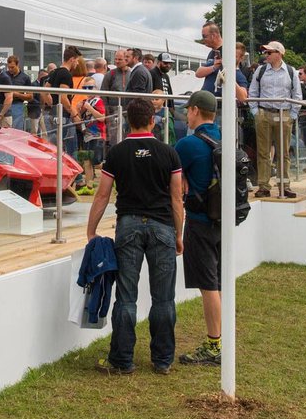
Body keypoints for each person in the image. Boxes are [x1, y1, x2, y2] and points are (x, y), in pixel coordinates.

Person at [86, 98, 184, 376]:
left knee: (126, 298)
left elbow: (103, 194)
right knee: (163, 298)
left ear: (129, 121)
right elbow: (177, 198)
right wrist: (179, 234)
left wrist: (91, 230)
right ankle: (163, 359)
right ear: (153, 120)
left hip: (127, 225)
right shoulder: (169, 153)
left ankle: (122, 359)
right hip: (163, 227)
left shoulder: (117, 152)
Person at [173, 90, 224, 366]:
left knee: (208, 286)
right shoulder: (226, 137)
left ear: (194, 111)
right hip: (223, 221)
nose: (186, 116)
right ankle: (220, 338)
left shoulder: (188, 144)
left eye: (187, 111)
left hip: (201, 222)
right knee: (217, 282)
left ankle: (214, 345)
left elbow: (170, 179)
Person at [248, 41, 301, 199]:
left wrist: (291, 116)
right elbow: (253, 92)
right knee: (263, 152)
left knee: (283, 153)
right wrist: (256, 112)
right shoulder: (261, 70)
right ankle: (264, 186)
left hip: (283, 114)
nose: (266, 55)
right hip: (264, 113)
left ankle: (284, 185)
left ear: (279, 53)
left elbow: (297, 96)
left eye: (269, 53)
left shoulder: (291, 71)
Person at [44, 46, 81, 156]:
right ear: (72, 59)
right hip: (63, 117)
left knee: (54, 147)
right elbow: (63, 97)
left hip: (52, 114)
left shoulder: (54, 72)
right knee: (70, 149)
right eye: (77, 61)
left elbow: (44, 91)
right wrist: (74, 114)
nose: (77, 64)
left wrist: (51, 103)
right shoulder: (66, 74)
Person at [5, 55, 33, 130]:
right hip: (4, 105)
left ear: (18, 65)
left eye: (12, 67)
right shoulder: (4, 75)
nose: (10, 69)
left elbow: (30, 96)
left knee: (17, 130)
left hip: (17, 105)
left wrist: (17, 94)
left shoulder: (25, 78)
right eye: (9, 67)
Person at [196, 22, 224, 95]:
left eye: (204, 36)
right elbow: (198, 73)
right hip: (208, 98)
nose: (203, 39)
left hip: (220, 100)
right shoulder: (212, 52)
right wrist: (213, 67)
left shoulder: (228, 51)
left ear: (213, 36)